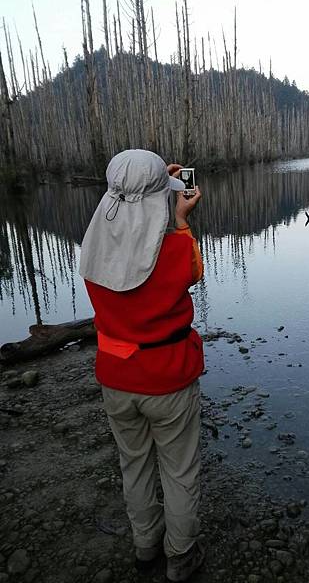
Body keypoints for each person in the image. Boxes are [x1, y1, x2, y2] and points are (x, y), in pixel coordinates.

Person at [79, 149, 205, 582]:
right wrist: (182, 218)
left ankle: (145, 546)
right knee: (179, 468)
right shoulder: (175, 247)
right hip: (169, 378)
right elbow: (189, 268)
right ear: (160, 199)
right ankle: (181, 557)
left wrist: (151, 185)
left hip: (116, 378)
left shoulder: (94, 248)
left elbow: (131, 225)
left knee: (133, 464)